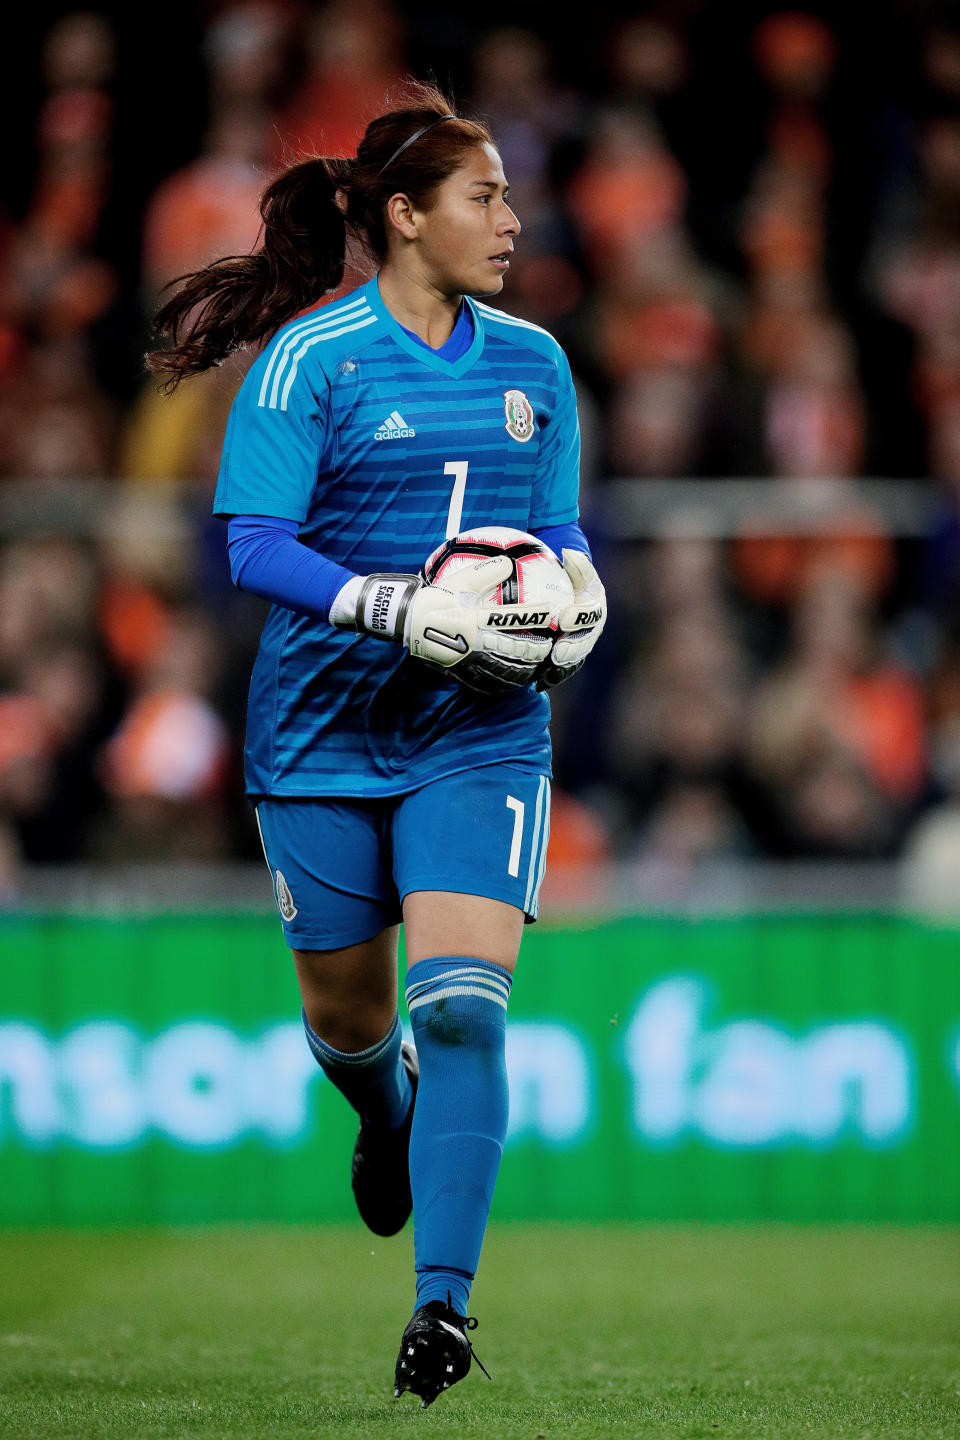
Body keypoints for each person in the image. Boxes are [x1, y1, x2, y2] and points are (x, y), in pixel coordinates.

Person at [146, 81, 607, 1407]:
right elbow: (251, 545)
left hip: (478, 731)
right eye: (484, 197)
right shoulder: (313, 359)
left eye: (510, 195)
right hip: (322, 730)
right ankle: (383, 1118)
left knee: (462, 1007)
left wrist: (577, 605)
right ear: (404, 217)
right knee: (350, 1030)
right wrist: (398, 605)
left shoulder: (537, 363)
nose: (512, 220)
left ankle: (442, 1315)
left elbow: (560, 538)